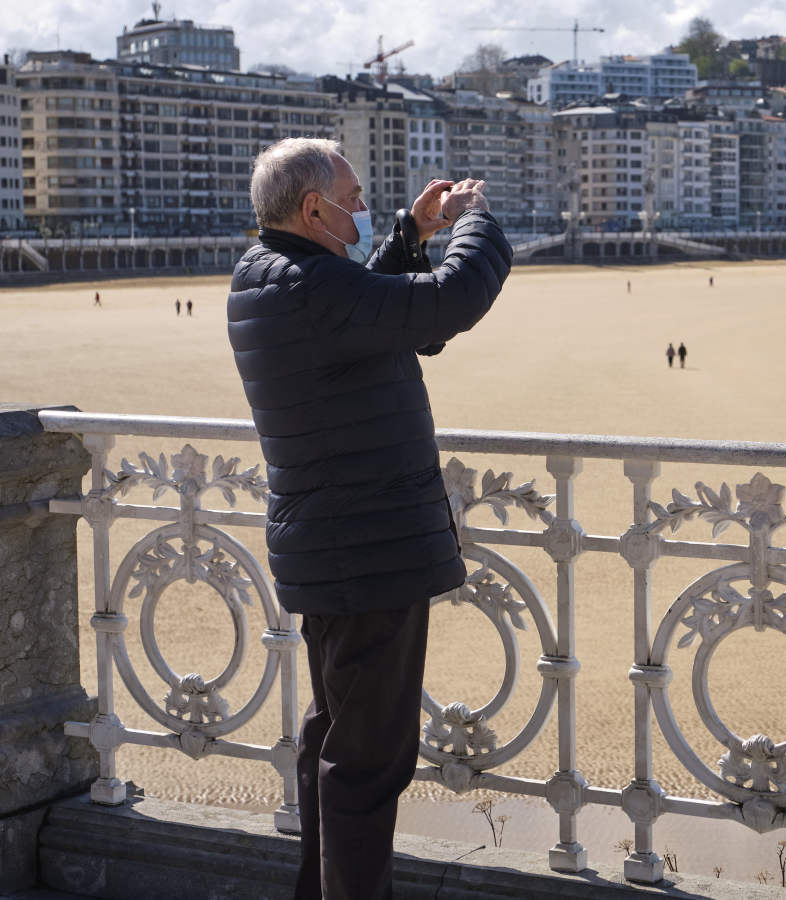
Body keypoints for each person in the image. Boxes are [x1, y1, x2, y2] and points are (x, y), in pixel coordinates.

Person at [226, 137, 511, 900]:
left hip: (332, 547)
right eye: (351, 198)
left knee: (335, 742)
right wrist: (473, 220)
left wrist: (407, 236)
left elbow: (369, 314)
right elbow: (451, 301)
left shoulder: (273, 276)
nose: (360, 206)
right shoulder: (309, 290)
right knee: (367, 763)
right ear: (312, 208)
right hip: (367, 550)